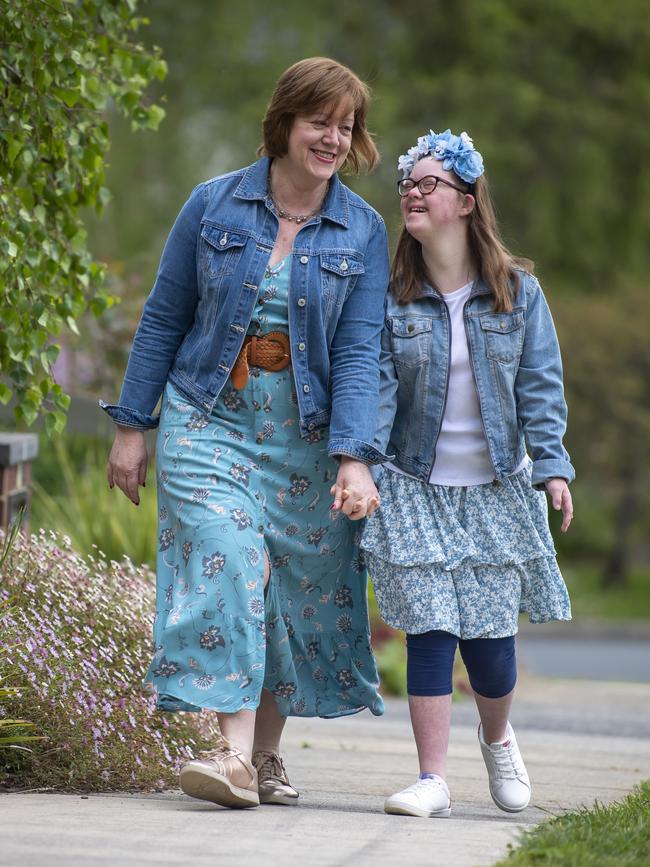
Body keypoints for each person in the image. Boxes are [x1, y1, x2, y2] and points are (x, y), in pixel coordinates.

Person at [101, 57, 391, 810]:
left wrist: (355, 458)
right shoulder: (213, 204)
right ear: (285, 122)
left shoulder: (361, 229)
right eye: (319, 121)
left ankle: (264, 756)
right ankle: (229, 756)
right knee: (229, 562)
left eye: (345, 126)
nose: (332, 137)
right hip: (208, 415)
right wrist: (133, 427)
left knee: (293, 597)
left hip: (305, 433)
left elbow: (361, 350)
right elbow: (165, 317)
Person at [361, 129, 574, 818]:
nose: (412, 194)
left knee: (489, 650)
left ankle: (497, 733)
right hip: (415, 487)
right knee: (429, 629)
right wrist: (359, 463)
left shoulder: (518, 293)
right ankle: (433, 779)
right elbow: (378, 390)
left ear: (467, 199)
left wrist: (555, 469)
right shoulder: (392, 298)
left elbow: (540, 389)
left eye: (428, 184)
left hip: (495, 491)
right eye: (408, 184)